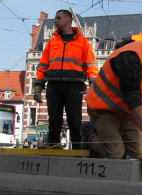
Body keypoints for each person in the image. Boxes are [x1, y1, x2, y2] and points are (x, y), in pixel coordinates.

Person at [84, 37, 142, 159]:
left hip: (124, 111)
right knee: (115, 153)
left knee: (139, 151)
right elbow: (132, 97)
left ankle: (112, 143)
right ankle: (89, 133)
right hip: (103, 107)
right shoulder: (132, 57)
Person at [33, 10, 99, 149]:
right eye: (55, 18)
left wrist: (93, 83)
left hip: (74, 85)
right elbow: (43, 66)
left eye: (58, 18)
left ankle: (76, 151)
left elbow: (91, 65)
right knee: (54, 122)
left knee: (75, 121)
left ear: (68, 19)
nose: (55, 21)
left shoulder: (83, 42)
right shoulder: (51, 42)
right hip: (53, 85)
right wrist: (39, 85)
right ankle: (52, 150)